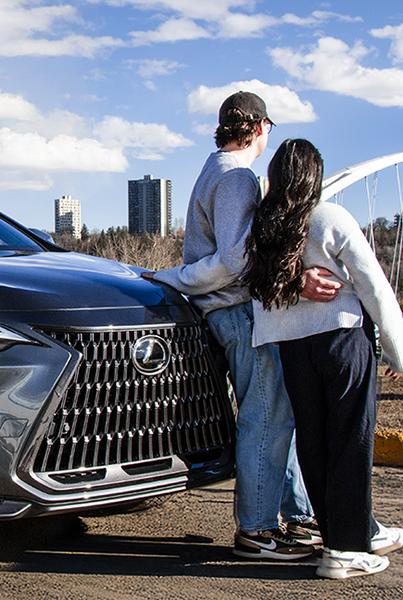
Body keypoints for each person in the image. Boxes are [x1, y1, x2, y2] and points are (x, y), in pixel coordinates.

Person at [149, 91, 329, 560]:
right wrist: (177, 278)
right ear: (262, 127)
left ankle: (297, 517)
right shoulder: (237, 177)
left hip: (227, 311)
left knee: (275, 416)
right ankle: (257, 530)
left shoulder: (215, 170)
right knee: (266, 418)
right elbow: (234, 260)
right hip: (238, 312)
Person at [242, 138, 403, 579]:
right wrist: (396, 350)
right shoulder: (329, 217)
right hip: (342, 342)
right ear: (314, 177)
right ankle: (348, 551)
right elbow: (373, 284)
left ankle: (340, 536)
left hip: (294, 350)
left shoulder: (263, 227)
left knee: (313, 445)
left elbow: (256, 287)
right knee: (352, 442)